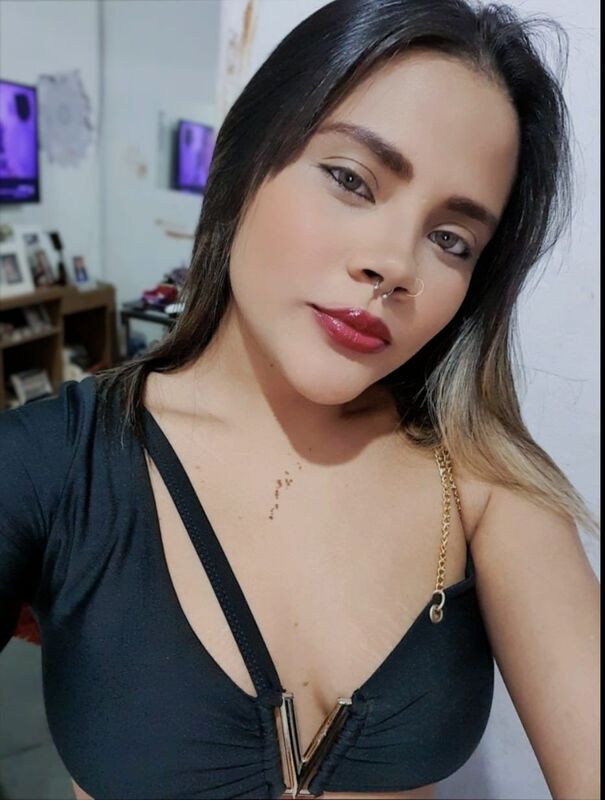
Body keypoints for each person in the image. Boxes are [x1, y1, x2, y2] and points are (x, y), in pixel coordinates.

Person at [0, 1, 599, 799]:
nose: (394, 264)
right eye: (351, 180)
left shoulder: (486, 484)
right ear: (245, 160)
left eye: (450, 239)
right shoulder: (51, 462)